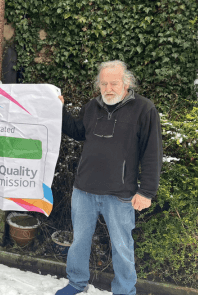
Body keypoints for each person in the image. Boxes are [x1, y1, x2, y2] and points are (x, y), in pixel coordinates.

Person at [55, 60, 163, 295]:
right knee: (79, 242)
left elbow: (152, 152)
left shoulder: (144, 109)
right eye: (104, 83)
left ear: (126, 83)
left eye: (114, 83)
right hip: (84, 189)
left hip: (120, 193)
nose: (108, 88)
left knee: (122, 247)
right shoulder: (92, 107)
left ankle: (124, 290)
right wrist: (59, 110)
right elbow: (76, 131)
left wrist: (146, 192)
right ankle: (76, 283)